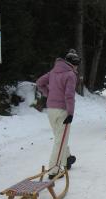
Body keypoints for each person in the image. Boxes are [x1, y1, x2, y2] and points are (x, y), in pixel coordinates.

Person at [36, 49, 80, 179]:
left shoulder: (53, 71)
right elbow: (69, 96)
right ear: (73, 63)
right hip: (62, 111)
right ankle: (54, 170)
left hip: (50, 109)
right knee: (60, 140)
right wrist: (70, 113)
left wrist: (48, 94)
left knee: (59, 137)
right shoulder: (70, 75)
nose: (77, 65)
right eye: (77, 62)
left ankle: (67, 159)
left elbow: (39, 83)